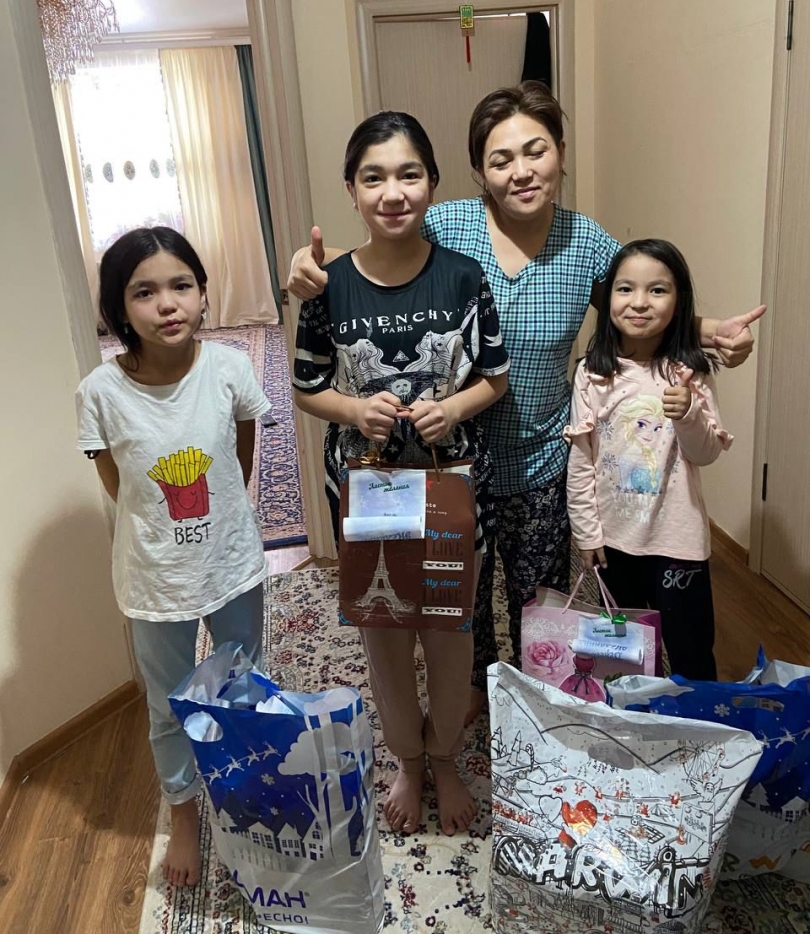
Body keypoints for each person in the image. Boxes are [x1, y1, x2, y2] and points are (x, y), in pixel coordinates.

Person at [287, 82, 763, 720]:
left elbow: (639, 300)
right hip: (453, 459)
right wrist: (306, 267)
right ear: (479, 171)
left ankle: (537, 700)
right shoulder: (449, 224)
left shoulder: (586, 243)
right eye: (501, 159)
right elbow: (378, 252)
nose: (521, 172)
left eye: (535, 151)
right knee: (464, 596)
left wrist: (710, 330)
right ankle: (476, 694)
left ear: (560, 152)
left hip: (542, 460)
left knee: (539, 601)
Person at [291, 111, 509, 836]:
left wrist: (454, 407)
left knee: (449, 635)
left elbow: (496, 377)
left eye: (409, 174)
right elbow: (307, 386)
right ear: (351, 190)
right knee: (385, 639)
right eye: (373, 177)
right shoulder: (328, 284)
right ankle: (408, 764)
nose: (393, 192)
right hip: (366, 494)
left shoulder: (462, 275)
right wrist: (355, 409)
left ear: (433, 183)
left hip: (451, 491)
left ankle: (444, 758)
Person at [75, 227, 271, 887]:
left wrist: (217, 522)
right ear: (118, 307)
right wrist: (165, 532)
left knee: (242, 685)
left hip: (232, 563)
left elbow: (239, 457)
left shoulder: (230, 368)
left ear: (203, 292)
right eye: (144, 292)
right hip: (154, 580)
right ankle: (184, 809)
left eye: (181, 285)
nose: (167, 304)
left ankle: (246, 788)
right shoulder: (99, 394)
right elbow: (119, 485)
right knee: (167, 705)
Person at [565, 239, 730, 680]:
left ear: (679, 301)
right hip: (615, 541)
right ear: (608, 299)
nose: (639, 302)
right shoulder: (592, 373)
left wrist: (688, 414)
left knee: (691, 649)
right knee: (628, 653)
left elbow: (705, 454)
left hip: (678, 541)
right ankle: (637, 714)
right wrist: (586, 532)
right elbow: (581, 461)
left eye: (657, 290)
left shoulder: (689, 371)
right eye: (625, 289)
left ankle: (697, 718)